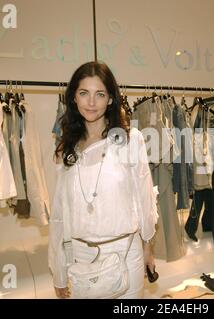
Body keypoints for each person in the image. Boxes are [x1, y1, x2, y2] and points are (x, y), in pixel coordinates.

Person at [48, 61, 159, 299]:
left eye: (99, 94)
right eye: (83, 93)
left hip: (126, 253)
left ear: (110, 99)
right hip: (82, 260)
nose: (91, 102)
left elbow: (145, 197)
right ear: (73, 98)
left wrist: (148, 247)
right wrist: (59, 270)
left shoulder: (131, 140)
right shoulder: (66, 149)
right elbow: (59, 214)